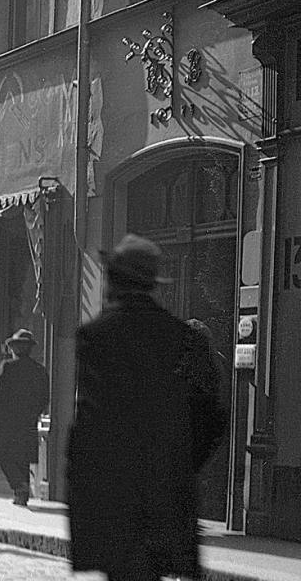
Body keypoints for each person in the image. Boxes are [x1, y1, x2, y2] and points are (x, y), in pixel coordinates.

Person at [67, 235, 226, 581]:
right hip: (167, 491)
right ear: (152, 283)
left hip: (115, 495)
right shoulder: (184, 338)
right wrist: (179, 461)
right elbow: (212, 418)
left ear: (115, 282)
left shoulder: (98, 337)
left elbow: (91, 425)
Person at [0, 328, 49, 506]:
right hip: (27, 421)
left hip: (6, 421)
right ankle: (21, 493)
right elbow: (44, 397)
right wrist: (34, 414)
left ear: (14, 349)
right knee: (22, 458)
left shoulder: (7, 367)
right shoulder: (39, 370)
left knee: (1, 454)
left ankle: (20, 488)